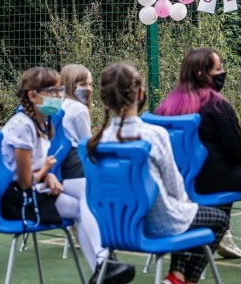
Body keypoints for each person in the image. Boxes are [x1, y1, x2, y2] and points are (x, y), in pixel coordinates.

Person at [87, 62, 228, 284]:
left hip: (116, 227)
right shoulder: (153, 135)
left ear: (105, 100)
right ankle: (184, 279)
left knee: (188, 214)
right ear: (140, 93)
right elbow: (174, 186)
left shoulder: (96, 142)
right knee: (218, 218)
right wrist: (185, 201)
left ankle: (177, 277)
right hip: (159, 223)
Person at [0, 67, 135, 284]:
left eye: (60, 90)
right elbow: (24, 181)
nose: (59, 96)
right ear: (33, 95)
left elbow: (34, 169)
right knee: (85, 205)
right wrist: (45, 172)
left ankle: (103, 267)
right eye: (52, 91)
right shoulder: (23, 126)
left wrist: (48, 177)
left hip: (32, 192)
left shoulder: (42, 123)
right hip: (17, 200)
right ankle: (104, 264)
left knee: (83, 205)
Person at [155, 47, 241, 264]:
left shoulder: (166, 107)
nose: (222, 72)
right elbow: (240, 153)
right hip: (209, 181)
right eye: (218, 68)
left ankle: (222, 230)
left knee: (230, 173)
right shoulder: (217, 105)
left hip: (177, 184)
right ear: (201, 74)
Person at [59, 64, 93, 179]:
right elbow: (87, 143)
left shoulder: (59, 103)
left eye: (90, 84)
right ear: (70, 85)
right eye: (83, 84)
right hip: (74, 162)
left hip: (60, 159)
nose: (88, 88)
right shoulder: (79, 108)